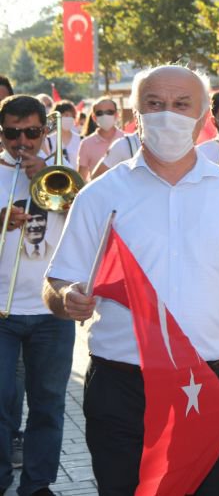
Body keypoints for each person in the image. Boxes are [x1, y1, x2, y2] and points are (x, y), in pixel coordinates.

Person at [43, 65, 219, 494]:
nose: (167, 115)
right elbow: (57, 283)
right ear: (135, 115)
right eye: (154, 104)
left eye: (180, 105)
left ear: (202, 115)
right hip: (123, 391)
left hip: (209, 386)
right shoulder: (99, 195)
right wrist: (67, 297)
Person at [0, 94, 74, 496]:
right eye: (12, 134)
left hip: (51, 310)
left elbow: (86, 222)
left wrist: (44, 174)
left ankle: (37, 485)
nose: (21, 142)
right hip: (2, 311)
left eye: (30, 132)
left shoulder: (62, 173)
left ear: (45, 132)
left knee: (48, 406)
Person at [77, 97, 123, 181]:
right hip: (98, 193)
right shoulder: (86, 144)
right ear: (94, 117)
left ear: (116, 115)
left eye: (109, 112)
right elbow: (81, 179)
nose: (105, 116)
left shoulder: (127, 139)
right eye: (100, 113)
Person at [45, 100, 81, 172]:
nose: (68, 118)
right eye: (65, 115)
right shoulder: (48, 140)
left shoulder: (80, 139)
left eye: (71, 116)